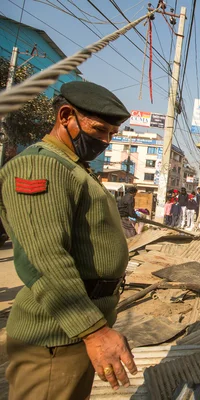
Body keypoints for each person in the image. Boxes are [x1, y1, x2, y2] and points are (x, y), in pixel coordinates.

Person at [0, 81, 137, 399]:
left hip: (73, 331)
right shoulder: (40, 165)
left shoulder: (73, 168)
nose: (104, 141)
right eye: (99, 129)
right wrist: (95, 332)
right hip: (55, 336)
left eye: (111, 135)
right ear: (65, 116)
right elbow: (44, 258)